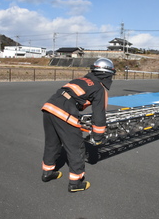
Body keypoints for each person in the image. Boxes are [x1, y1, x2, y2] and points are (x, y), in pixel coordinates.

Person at [40, 58, 116, 192]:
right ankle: (76, 182)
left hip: (49, 106)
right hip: (64, 110)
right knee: (76, 147)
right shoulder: (99, 88)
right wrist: (98, 137)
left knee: (52, 143)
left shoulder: (81, 80)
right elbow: (99, 115)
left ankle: (48, 172)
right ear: (107, 74)